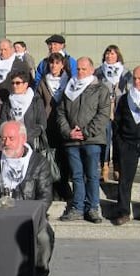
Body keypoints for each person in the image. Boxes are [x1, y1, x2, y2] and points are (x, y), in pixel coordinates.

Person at [0, 120, 54, 276]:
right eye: (3, 138)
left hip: (31, 218)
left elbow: (45, 198)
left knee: (44, 238)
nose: (6, 142)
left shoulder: (39, 163)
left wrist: (29, 215)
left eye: (11, 138)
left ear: (23, 138)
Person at [57, 57, 110, 223]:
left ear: (92, 70)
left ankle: (93, 208)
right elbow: (61, 113)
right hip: (72, 140)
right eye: (78, 69)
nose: (80, 72)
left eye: (84, 69)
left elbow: (103, 114)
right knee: (77, 176)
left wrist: (85, 132)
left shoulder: (100, 89)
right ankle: (78, 208)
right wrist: (68, 132)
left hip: (92, 140)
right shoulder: (69, 88)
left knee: (92, 175)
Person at [36, 52, 73, 202]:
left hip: (64, 124)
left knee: (64, 158)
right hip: (48, 125)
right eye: (51, 63)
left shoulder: (69, 81)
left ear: (62, 65)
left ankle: (64, 188)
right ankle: (53, 189)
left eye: (57, 63)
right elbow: (38, 102)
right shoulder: (43, 82)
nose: (54, 66)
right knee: (49, 157)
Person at [94, 45, 132, 181]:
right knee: (105, 138)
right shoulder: (98, 72)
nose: (109, 56)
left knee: (119, 139)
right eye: (107, 54)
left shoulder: (126, 73)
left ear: (118, 56)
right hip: (104, 110)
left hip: (121, 110)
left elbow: (130, 91)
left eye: (113, 54)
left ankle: (117, 166)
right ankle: (104, 167)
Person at [112, 66, 140, 225]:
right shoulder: (125, 99)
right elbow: (117, 123)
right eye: (134, 78)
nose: (136, 82)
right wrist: (120, 143)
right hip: (128, 143)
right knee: (125, 180)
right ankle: (123, 212)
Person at [0, 71, 47, 148]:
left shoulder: (36, 101)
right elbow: (2, 122)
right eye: (13, 83)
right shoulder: (8, 102)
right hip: (11, 143)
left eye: (18, 83)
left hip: (31, 143)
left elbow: (42, 124)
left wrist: (24, 135)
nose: (14, 85)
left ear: (26, 84)